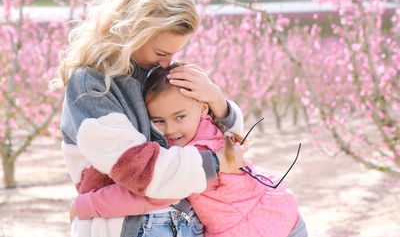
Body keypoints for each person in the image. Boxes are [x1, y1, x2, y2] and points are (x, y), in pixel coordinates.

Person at [53, 0, 246, 237]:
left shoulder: (154, 72)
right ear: (134, 32)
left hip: (184, 218)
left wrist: (216, 101)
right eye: (160, 52)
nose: (167, 63)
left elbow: (224, 140)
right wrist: (214, 163)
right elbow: (137, 168)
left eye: (173, 53)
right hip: (129, 225)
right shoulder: (92, 85)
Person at [71, 62, 308, 237]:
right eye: (159, 121)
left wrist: (86, 205)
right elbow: (232, 126)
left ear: (203, 110)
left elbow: (153, 195)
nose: (171, 128)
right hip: (279, 211)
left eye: (179, 117)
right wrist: (217, 101)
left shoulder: (199, 154)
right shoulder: (208, 125)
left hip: (258, 225)